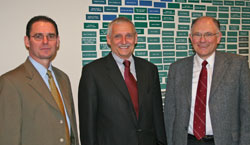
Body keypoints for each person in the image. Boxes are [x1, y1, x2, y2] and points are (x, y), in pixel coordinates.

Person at [78, 17, 167, 145]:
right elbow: (87, 125)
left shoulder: (150, 70)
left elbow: (157, 117)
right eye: (118, 36)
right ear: (109, 40)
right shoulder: (92, 72)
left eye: (129, 36)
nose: (124, 41)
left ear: (136, 38)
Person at [164, 16, 250, 145]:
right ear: (190, 38)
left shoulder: (237, 65)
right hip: (186, 141)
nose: (202, 40)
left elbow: (246, 111)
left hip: (224, 141)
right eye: (197, 34)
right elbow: (170, 113)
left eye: (208, 34)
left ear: (218, 37)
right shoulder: (177, 69)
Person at [0, 15, 79, 145]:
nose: (45, 41)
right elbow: (8, 138)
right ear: (27, 41)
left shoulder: (63, 78)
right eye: (38, 36)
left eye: (51, 36)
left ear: (57, 41)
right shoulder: (10, 83)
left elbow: (71, 131)